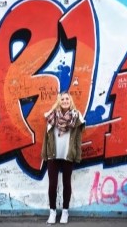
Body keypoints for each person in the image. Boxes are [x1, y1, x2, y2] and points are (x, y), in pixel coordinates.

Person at [41, 92, 85, 224]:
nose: (65, 101)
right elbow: (46, 137)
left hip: (68, 155)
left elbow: (78, 137)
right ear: (59, 101)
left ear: (70, 101)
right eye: (62, 99)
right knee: (52, 184)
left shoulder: (76, 117)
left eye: (67, 99)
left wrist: (77, 154)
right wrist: (45, 154)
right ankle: (52, 212)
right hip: (53, 155)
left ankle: (65, 211)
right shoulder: (52, 116)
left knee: (67, 183)